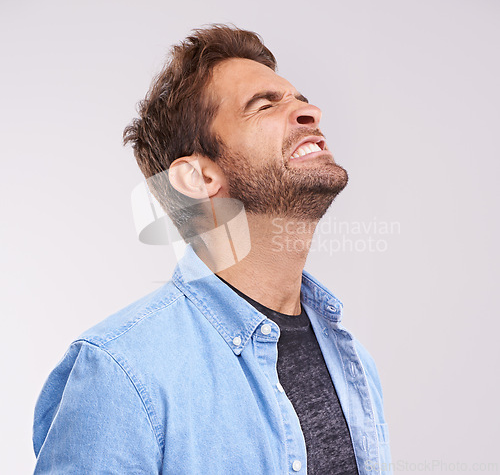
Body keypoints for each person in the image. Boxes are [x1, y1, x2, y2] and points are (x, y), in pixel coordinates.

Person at [32, 24, 392, 474]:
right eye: (264, 105)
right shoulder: (119, 371)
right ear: (199, 179)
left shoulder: (351, 359)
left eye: (301, 100)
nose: (310, 112)